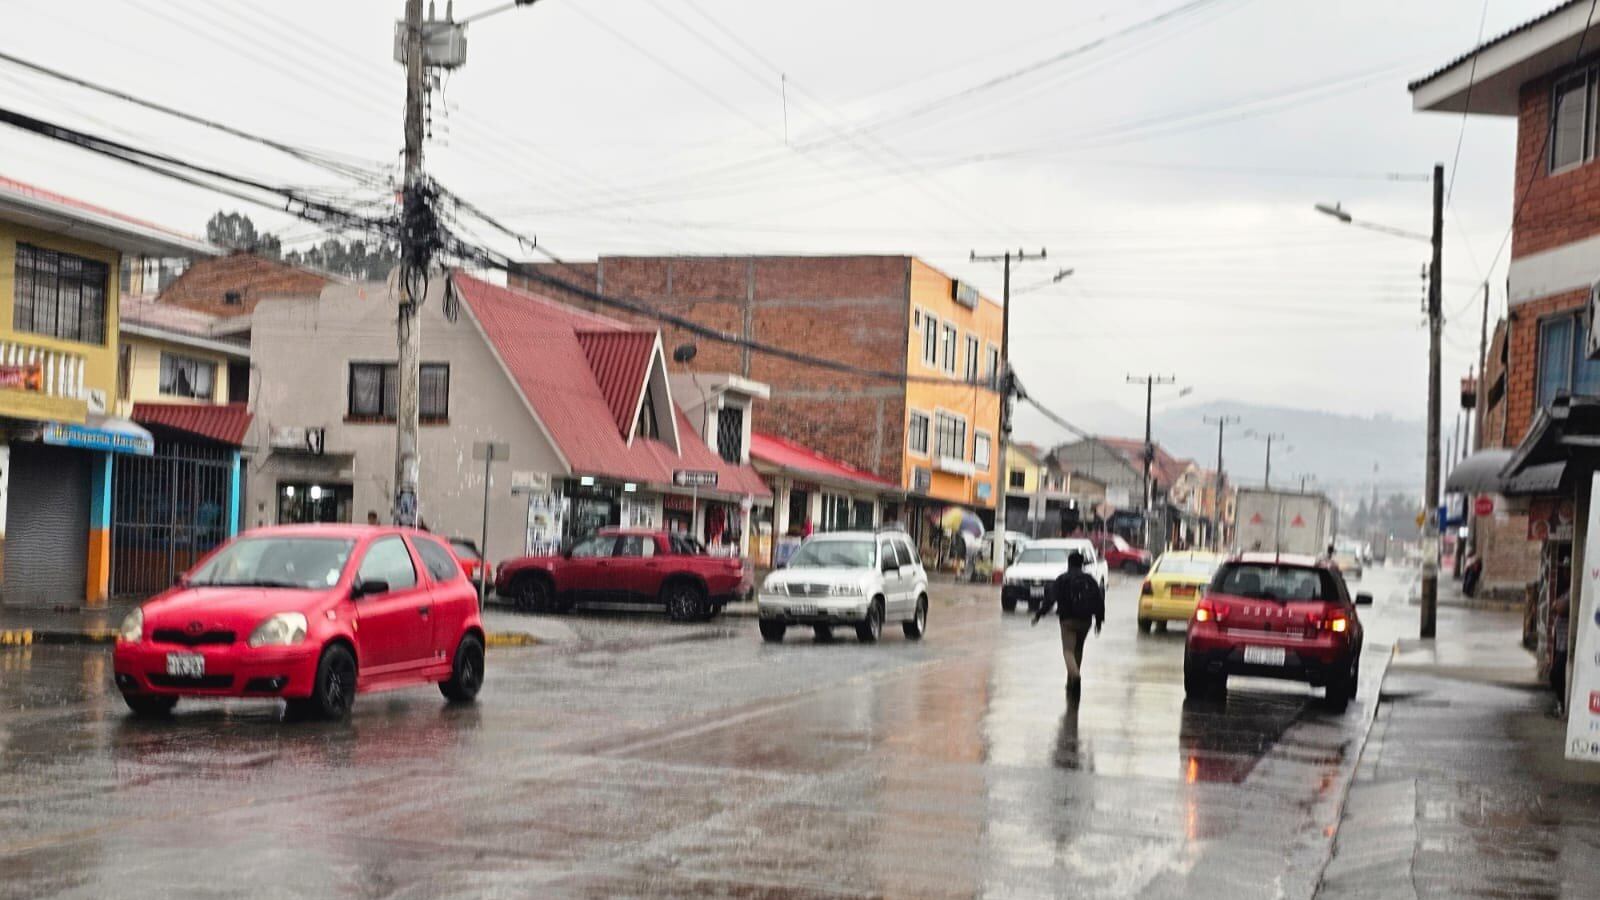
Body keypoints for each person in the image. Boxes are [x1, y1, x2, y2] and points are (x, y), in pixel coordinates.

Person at [1033, 550, 1105, 694]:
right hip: (1086, 621)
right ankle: (1071, 681)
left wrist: (1040, 614)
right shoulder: (1090, 580)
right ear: (1082, 564)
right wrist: (1098, 621)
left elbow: (1050, 599)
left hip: (1068, 620)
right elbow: (1099, 601)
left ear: (1069, 563)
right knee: (1078, 649)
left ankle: (1075, 676)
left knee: (1068, 651)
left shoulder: (1062, 579)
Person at [1551, 587, 1571, 717]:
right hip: (1561, 645)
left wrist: (1557, 604)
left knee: (1556, 675)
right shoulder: (1568, 591)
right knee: (1557, 675)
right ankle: (1561, 704)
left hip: (1566, 646)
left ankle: (1563, 704)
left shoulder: (1573, 591)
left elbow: (1560, 607)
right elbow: (1555, 606)